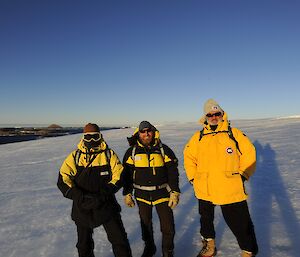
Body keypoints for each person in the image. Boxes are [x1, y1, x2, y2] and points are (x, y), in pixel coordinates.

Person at [183, 99, 258, 257]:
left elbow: (249, 154)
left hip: (229, 186)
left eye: (217, 113)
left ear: (222, 114)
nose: (214, 116)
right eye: (210, 114)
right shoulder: (198, 137)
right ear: (205, 117)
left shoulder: (234, 133)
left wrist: (242, 175)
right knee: (206, 220)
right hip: (204, 186)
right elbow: (189, 157)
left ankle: (248, 251)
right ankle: (209, 246)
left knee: (240, 223)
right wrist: (193, 178)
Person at [57, 123, 132, 257]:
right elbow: (63, 179)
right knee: (84, 244)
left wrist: (103, 193)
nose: (92, 140)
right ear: (83, 137)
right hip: (82, 207)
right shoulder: (75, 156)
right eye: (88, 137)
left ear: (100, 136)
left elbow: (118, 175)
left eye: (95, 136)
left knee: (119, 240)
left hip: (106, 204)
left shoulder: (108, 155)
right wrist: (79, 196)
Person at [122, 121, 180, 257]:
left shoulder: (163, 149)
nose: (146, 134)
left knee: (168, 227)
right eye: (143, 131)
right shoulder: (132, 152)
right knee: (145, 225)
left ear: (153, 132)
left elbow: (173, 172)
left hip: (162, 193)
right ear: (139, 133)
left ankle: (168, 251)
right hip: (142, 195)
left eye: (149, 131)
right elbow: (127, 175)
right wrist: (127, 193)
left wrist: (175, 191)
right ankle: (149, 247)